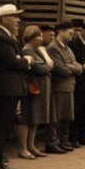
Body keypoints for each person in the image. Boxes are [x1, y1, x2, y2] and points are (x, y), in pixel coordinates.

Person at [0, 4, 30, 169]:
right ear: (3, 19)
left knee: (3, 127)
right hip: (2, 90)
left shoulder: (6, 36)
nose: (18, 20)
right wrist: (27, 61)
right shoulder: (0, 37)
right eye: (14, 16)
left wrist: (21, 60)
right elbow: (15, 63)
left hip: (7, 89)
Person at [17, 26, 53, 160]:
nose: (41, 38)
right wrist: (46, 65)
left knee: (35, 118)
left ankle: (31, 146)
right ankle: (23, 148)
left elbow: (48, 65)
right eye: (39, 36)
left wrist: (45, 62)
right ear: (31, 37)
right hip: (31, 88)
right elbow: (42, 68)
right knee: (26, 118)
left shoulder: (37, 51)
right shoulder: (27, 50)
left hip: (39, 88)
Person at [46, 21, 81, 152]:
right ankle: (52, 142)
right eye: (70, 32)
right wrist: (72, 67)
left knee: (67, 115)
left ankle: (64, 140)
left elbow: (79, 67)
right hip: (59, 86)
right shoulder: (53, 47)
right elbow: (61, 69)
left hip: (69, 85)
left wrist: (71, 66)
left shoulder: (67, 47)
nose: (72, 35)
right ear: (60, 31)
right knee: (56, 116)